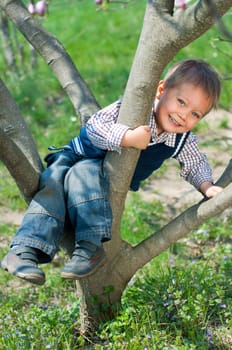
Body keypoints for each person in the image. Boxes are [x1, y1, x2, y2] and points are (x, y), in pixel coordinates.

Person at [1, 59, 223, 285]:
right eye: (181, 102)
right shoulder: (134, 109)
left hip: (103, 178)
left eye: (196, 114)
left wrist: (207, 185)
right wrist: (127, 137)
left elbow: (195, 162)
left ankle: (88, 249)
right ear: (161, 89)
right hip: (78, 158)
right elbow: (95, 127)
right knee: (53, 185)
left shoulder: (180, 139)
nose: (184, 115)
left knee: (85, 177)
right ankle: (24, 250)